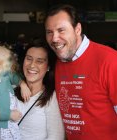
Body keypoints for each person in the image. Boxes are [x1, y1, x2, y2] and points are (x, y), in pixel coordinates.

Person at [44, 4, 117, 140]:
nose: (54, 38)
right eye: (49, 32)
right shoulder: (58, 61)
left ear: (77, 29)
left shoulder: (110, 61)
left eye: (61, 30)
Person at [15, 41, 65, 140]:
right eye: (29, 59)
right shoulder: (9, 90)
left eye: (39, 61)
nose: (32, 65)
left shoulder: (51, 97)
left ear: (48, 67)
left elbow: (56, 136)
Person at [0, 44, 30, 140]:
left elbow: (14, 76)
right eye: (7, 64)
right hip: (0, 128)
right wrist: (9, 115)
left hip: (10, 124)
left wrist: (22, 84)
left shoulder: (4, 74)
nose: (10, 67)